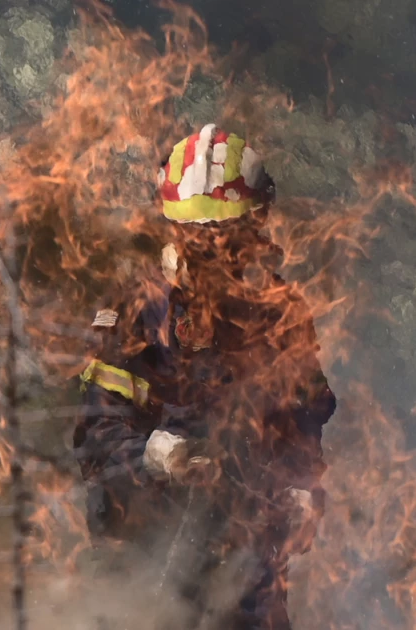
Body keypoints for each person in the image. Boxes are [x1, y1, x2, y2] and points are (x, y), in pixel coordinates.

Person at [72, 123, 337, 629]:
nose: (217, 249)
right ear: (176, 231)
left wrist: (304, 489)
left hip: (246, 554)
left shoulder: (278, 314)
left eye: (231, 233)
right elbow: (94, 435)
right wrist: (157, 454)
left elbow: (303, 420)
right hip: (145, 550)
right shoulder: (138, 312)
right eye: (202, 236)